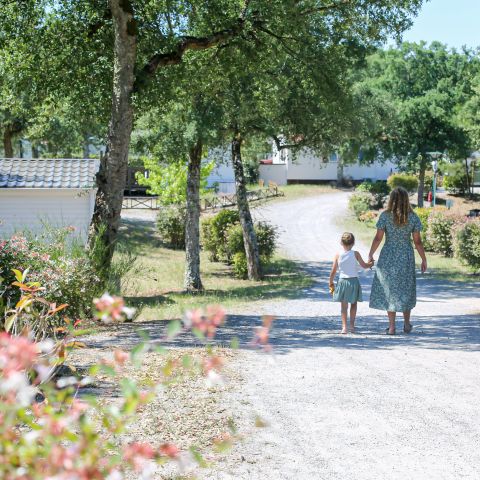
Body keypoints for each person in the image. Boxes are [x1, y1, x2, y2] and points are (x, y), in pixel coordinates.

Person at [368, 187, 427, 335]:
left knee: (390, 289)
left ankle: (392, 327)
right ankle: (406, 324)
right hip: (406, 256)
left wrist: (370, 254)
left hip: (388, 255)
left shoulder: (385, 216)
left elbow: (378, 238)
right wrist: (424, 259)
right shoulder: (413, 217)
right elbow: (418, 242)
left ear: (392, 200)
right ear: (407, 200)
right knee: (406, 288)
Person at [329, 232, 373, 334]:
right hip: (353, 281)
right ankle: (352, 326)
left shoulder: (337, 255)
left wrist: (330, 282)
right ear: (353, 243)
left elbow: (333, 270)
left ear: (341, 242)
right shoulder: (356, 254)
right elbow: (364, 266)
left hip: (342, 281)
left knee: (343, 307)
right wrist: (371, 263)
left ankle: (344, 327)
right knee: (353, 304)